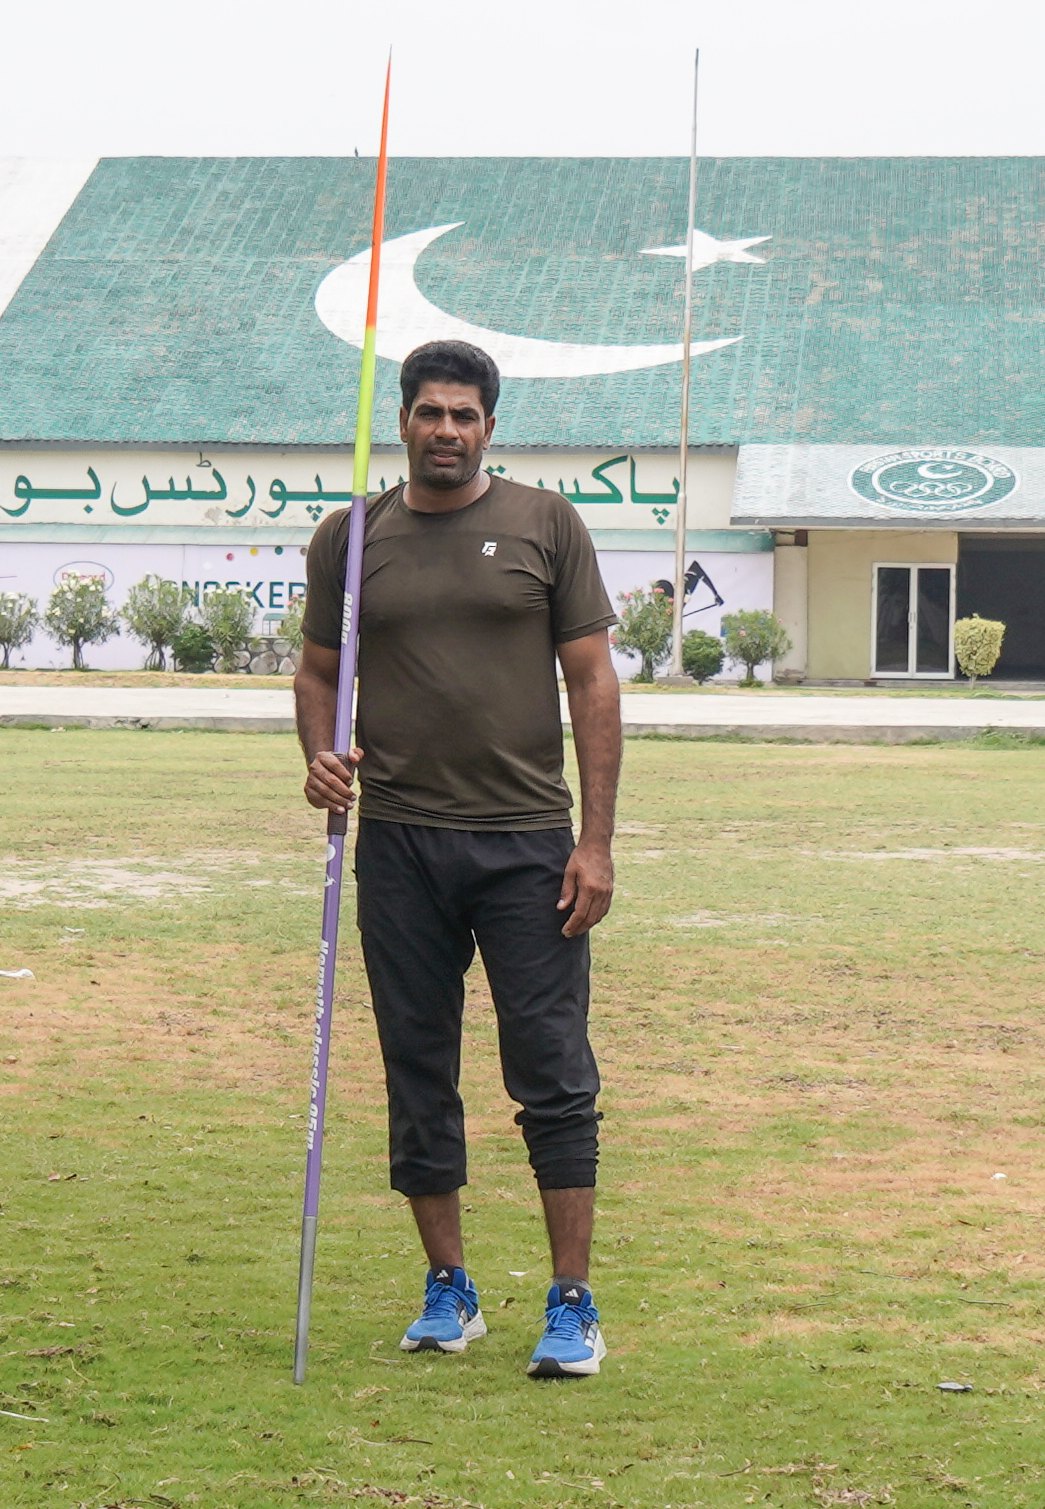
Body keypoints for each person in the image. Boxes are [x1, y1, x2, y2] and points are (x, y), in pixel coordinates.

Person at [294, 339, 624, 1379]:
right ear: (403, 419)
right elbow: (316, 671)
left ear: (490, 426)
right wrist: (318, 755)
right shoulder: (350, 539)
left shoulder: (544, 525)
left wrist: (597, 841)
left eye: (465, 415)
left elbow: (594, 684)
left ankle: (572, 1304)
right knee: (416, 1069)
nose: (447, 430)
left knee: (553, 1074)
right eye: (431, 412)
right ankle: (452, 1288)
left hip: (528, 844)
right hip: (398, 843)